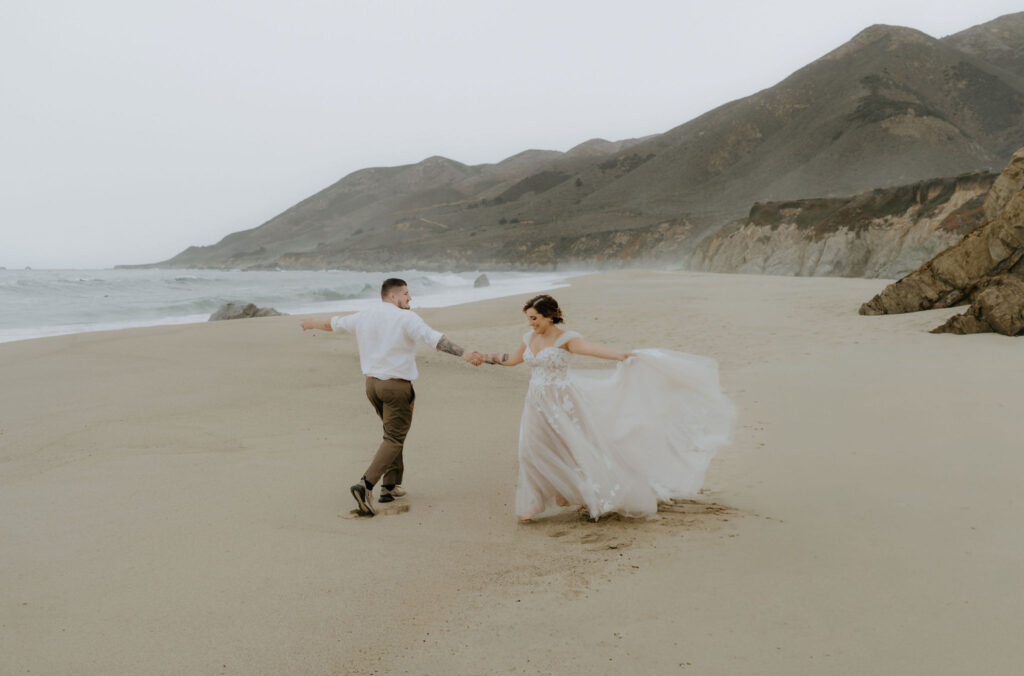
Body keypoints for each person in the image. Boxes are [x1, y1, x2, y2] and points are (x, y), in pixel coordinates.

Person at [479, 294, 736, 522]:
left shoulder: (567, 338)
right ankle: (536, 500)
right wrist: (485, 357)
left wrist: (620, 355)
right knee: (529, 449)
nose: (531, 323)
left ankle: (587, 494)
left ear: (549, 317)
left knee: (576, 447)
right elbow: (512, 360)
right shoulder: (529, 337)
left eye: (535, 318)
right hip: (535, 402)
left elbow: (590, 349)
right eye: (529, 319)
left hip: (563, 402)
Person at [301, 278, 483, 516]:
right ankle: (365, 486)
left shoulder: (365, 315)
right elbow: (435, 339)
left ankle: (390, 486)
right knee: (394, 437)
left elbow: (334, 324)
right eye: (406, 294)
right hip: (396, 387)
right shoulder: (406, 318)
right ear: (393, 296)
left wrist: (313, 323)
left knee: (391, 434)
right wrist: (465, 353)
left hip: (372, 386)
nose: (409, 298)